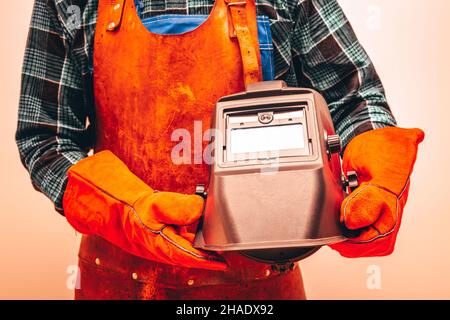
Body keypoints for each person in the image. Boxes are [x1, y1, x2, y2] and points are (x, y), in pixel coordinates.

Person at [16, 0, 423, 299]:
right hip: (116, 284)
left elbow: (353, 99)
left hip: (258, 291)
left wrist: (374, 175)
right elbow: (44, 138)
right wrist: (125, 210)